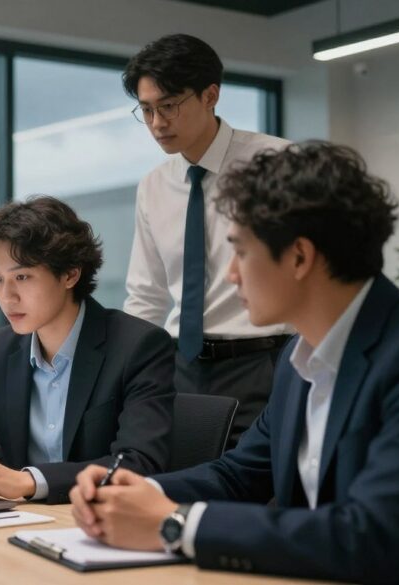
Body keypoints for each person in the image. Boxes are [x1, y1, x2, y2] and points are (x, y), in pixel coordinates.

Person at [69, 142, 399, 583]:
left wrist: (174, 524)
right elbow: (237, 475)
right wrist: (137, 492)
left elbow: (370, 536)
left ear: (300, 257)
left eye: (240, 252)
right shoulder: (296, 357)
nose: (231, 276)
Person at [0, 196, 174, 504]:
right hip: (24, 523)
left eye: (22, 277)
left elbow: (136, 465)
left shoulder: (138, 346)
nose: (7, 296)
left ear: (70, 274)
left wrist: (29, 480)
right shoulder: (1, 348)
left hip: (98, 522)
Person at [121, 34, 292, 445]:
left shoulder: (277, 164)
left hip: (264, 359)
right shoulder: (154, 185)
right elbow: (147, 295)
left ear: (210, 96)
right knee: (182, 486)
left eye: (169, 106)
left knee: (258, 489)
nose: (157, 123)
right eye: (146, 110)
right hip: (182, 367)